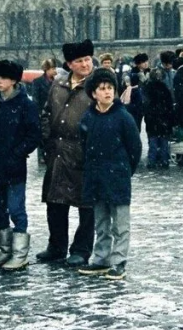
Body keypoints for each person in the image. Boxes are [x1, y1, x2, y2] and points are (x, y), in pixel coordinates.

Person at [76, 68, 142, 280]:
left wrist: (124, 170)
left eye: (110, 88)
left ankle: (119, 260)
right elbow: (84, 146)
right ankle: (101, 258)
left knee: (120, 224)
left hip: (118, 177)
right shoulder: (88, 118)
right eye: (102, 89)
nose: (107, 92)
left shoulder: (124, 117)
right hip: (95, 178)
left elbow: (135, 148)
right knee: (101, 223)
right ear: (94, 93)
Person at [37, 40, 96, 267]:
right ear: (70, 64)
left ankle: (81, 249)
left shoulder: (98, 84)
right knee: (55, 202)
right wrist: (47, 140)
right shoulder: (59, 84)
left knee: (86, 205)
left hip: (84, 153)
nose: (85, 64)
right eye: (79, 61)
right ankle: (56, 246)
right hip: (58, 153)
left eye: (87, 60)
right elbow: (45, 112)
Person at [0, 60, 39, 271]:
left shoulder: (26, 104)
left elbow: (33, 134)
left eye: (3, 78)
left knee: (16, 208)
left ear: (14, 81)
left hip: (15, 166)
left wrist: (18, 153)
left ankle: (19, 253)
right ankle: (5, 249)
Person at [142, 65, 174, 168]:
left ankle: (152, 161)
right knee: (164, 140)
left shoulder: (147, 88)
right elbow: (170, 105)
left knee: (153, 140)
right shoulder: (165, 89)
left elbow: (145, 104)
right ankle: (164, 160)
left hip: (152, 119)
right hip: (164, 119)